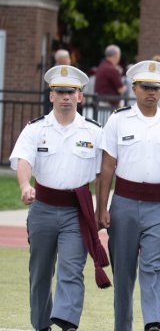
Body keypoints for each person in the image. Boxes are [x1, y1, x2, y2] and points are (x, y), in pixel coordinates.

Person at [10, 66, 110, 331]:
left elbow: (103, 175)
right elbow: (24, 160)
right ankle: (42, 325)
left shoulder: (94, 131)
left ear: (80, 96)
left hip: (76, 212)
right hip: (42, 208)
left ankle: (67, 323)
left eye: (71, 91)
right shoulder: (35, 129)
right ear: (51, 95)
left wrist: (101, 210)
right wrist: (24, 185)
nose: (66, 96)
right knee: (40, 272)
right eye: (60, 91)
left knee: (71, 268)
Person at [95, 60, 160, 331]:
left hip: (159, 205)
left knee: (154, 266)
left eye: (157, 88)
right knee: (123, 273)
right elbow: (107, 166)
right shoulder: (118, 120)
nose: (151, 92)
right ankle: (123, 326)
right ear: (134, 88)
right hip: (124, 203)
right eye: (146, 87)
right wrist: (102, 207)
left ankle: (153, 322)